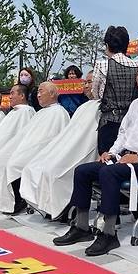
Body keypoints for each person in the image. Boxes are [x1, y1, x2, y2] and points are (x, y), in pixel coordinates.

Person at [53, 60, 138, 255]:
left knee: (109, 173)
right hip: (125, 157)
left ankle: (109, 233)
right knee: (83, 171)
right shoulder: (135, 104)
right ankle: (81, 226)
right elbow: (123, 134)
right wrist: (111, 152)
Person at [0, 82, 69, 214]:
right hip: (29, 148)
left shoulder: (59, 113)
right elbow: (26, 134)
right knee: (3, 162)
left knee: (14, 165)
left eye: (41, 91)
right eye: (37, 92)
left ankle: (20, 201)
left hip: (44, 152)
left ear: (53, 94)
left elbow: (52, 138)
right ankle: (10, 199)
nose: (38, 95)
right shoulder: (41, 112)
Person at [20, 72, 101, 221]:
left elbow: (85, 140)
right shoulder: (83, 107)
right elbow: (67, 137)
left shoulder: (100, 107)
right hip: (66, 150)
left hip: (82, 152)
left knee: (55, 172)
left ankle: (62, 211)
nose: (86, 86)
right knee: (36, 167)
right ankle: (50, 209)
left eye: (90, 82)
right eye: (85, 83)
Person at [92, 25, 138, 154]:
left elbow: (95, 93)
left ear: (107, 45)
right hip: (132, 121)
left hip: (109, 121)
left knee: (106, 159)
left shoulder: (102, 64)